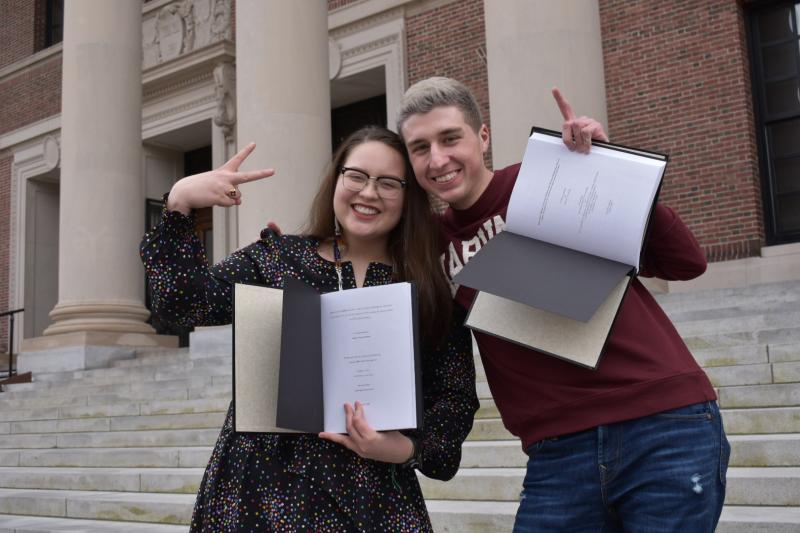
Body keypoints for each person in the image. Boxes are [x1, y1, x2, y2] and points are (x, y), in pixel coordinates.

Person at [396, 77, 730, 532]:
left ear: (483, 137)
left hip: (660, 422)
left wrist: (614, 173)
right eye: (420, 147)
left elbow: (686, 263)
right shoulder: (427, 246)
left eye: (450, 138)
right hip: (555, 453)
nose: (438, 159)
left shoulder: (550, 177)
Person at [140, 126, 479, 532]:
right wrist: (180, 203)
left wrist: (404, 449)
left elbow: (454, 398)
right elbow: (181, 303)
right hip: (260, 492)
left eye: (388, 183)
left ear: (409, 197)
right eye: (356, 176)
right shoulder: (278, 258)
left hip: (374, 500)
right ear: (336, 180)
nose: (368, 193)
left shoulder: (427, 288)